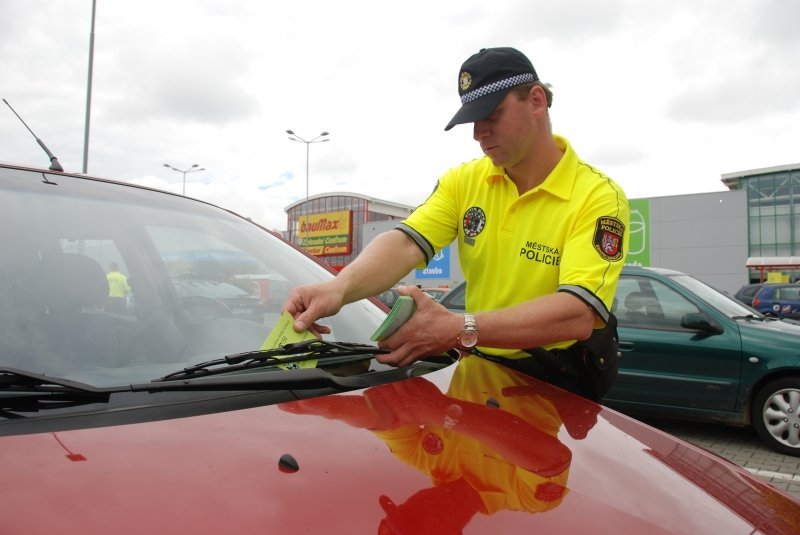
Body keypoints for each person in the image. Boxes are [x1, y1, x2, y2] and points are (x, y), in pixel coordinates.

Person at [283, 47, 630, 400]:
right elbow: (406, 242)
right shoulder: (464, 181)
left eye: (492, 115)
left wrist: (459, 327)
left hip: (559, 383)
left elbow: (577, 313)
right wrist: (337, 289)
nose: (479, 133)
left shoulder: (597, 196)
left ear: (536, 101)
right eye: (473, 121)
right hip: (480, 367)